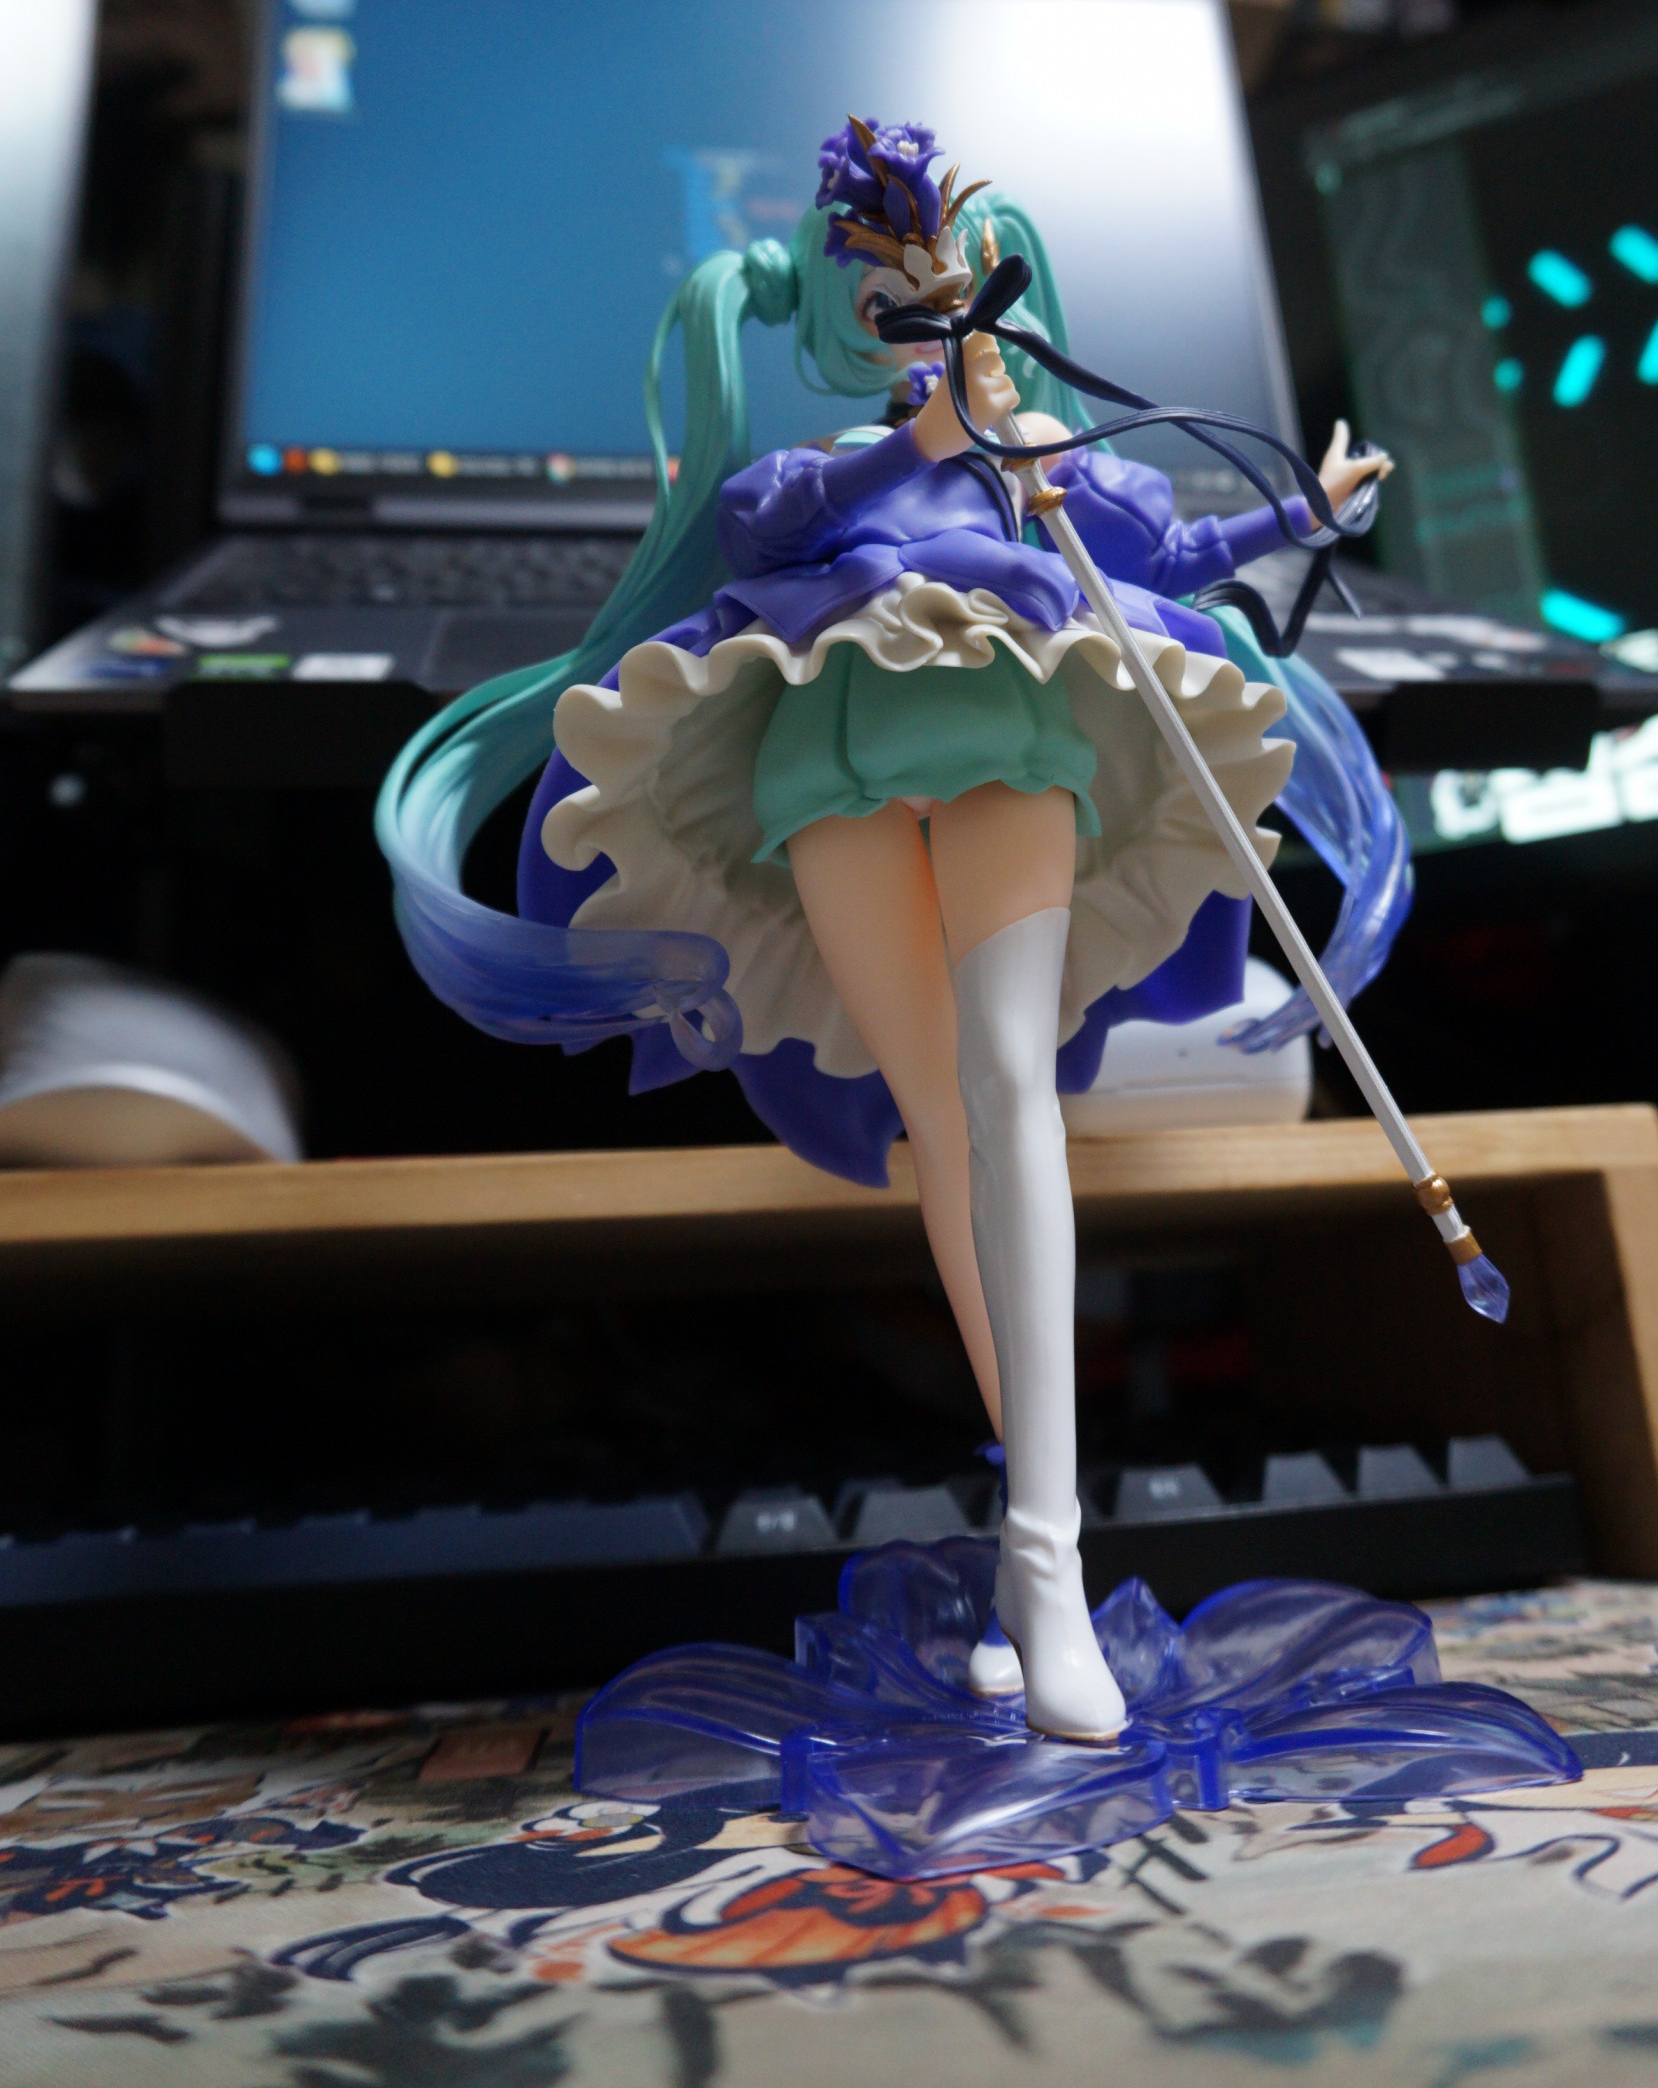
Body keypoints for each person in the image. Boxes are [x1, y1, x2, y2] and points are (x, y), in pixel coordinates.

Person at [379, 118, 1394, 1742]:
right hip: (829, 769)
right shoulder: (839, 466)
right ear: (855, 315)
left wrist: (1305, 512)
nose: (942, 324)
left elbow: (1174, 551)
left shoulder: (1050, 454)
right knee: (941, 1121)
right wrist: (918, 435)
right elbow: (760, 526)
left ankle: (1046, 1556)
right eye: (902, 302)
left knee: (1009, 1088)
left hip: (1011, 738)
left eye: (965, 295)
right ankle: (1033, 1559)